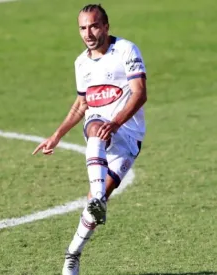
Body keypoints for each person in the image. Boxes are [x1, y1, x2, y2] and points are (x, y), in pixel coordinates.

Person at [32, 4, 148, 275]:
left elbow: (140, 93)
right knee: (95, 127)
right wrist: (57, 135)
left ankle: (74, 252)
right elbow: (82, 104)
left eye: (94, 26)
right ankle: (95, 204)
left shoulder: (126, 50)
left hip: (128, 134)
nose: (88, 33)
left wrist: (116, 123)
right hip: (99, 127)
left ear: (106, 26)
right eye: (83, 28)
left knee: (93, 209)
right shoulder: (81, 62)